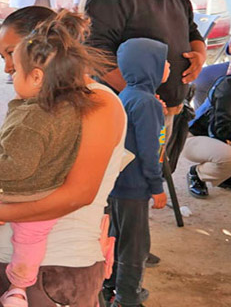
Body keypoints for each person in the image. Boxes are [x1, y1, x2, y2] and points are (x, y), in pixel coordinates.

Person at [0, 6, 128, 306]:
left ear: (44, 47)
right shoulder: (32, 102)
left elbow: (78, 194)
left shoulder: (98, 104)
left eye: (10, 54)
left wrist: (0, 212)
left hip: (60, 266)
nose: (6, 68)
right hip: (10, 258)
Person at [85, 0, 203, 135]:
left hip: (171, 113)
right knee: (134, 169)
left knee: (160, 170)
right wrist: (141, 98)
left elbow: (193, 33)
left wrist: (199, 55)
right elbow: (96, 52)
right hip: (128, 114)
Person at [102, 38, 169, 307]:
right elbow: (148, 151)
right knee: (135, 246)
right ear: (148, 67)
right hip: (136, 187)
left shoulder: (128, 95)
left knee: (117, 238)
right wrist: (156, 186)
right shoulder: (147, 103)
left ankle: (111, 286)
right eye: (163, 61)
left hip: (118, 185)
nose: (168, 65)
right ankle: (128, 298)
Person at [184, 70, 231, 198]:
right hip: (197, 136)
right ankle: (197, 173)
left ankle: (226, 175)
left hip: (228, 138)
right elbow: (224, 129)